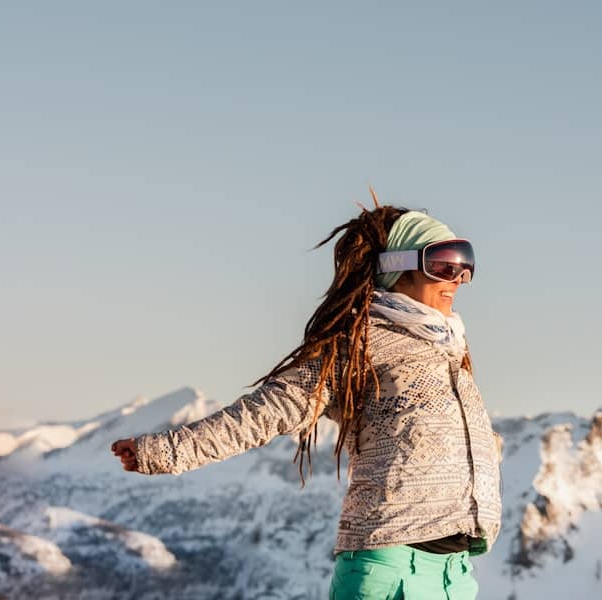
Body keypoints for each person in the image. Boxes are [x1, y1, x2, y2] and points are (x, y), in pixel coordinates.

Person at [112, 193, 502, 599]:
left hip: (455, 576)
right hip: (390, 568)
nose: (458, 277)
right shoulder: (358, 344)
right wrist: (167, 450)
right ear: (397, 265)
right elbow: (268, 411)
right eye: (443, 263)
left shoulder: (450, 350)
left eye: (465, 263)